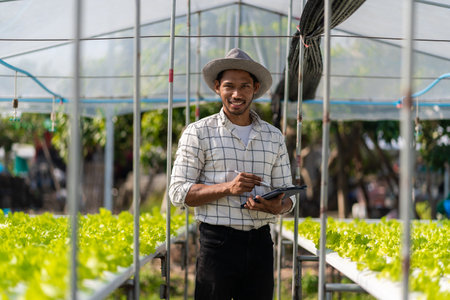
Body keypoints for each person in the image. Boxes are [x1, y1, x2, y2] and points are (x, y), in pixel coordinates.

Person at [169, 48, 296, 300]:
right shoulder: (198, 133)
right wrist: (228, 188)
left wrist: (276, 207)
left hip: (261, 243)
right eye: (229, 86)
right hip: (217, 244)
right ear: (217, 87)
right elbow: (177, 193)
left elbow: (289, 196)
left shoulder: (274, 136)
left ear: (255, 88)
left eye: (245, 86)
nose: (236, 94)